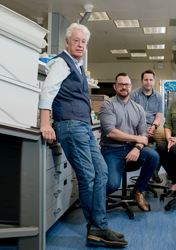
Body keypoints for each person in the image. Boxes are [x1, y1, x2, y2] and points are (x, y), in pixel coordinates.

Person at [38, 23, 128, 247]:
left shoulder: (77, 67)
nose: (80, 45)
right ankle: (97, 228)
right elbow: (47, 91)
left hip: (83, 127)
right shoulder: (61, 62)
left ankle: (99, 225)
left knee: (102, 171)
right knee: (88, 176)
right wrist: (45, 122)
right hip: (70, 126)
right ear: (67, 42)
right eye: (76, 40)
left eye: (83, 42)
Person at [99, 72, 159, 212]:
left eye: (126, 84)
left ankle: (138, 190)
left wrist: (137, 148)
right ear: (115, 86)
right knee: (112, 186)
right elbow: (110, 132)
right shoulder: (107, 105)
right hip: (112, 150)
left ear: (131, 87)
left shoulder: (138, 109)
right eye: (121, 84)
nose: (124, 87)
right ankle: (91, 197)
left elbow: (143, 134)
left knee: (153, 156)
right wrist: (136, 138)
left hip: (132, 149)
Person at [130, 69, 165, 183]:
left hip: (153, 127)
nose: (148, 82)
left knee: (165, 139)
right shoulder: (134, 94)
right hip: (136, 127)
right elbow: (131, 114)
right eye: (146, 80)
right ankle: (143, 170)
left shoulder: (159, 97)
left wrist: (153, 127)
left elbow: (158, 116)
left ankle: (155, 169)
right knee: (134, 140)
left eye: (150, 80)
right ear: (142, 81)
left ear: (154, 81)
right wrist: (143, 128)